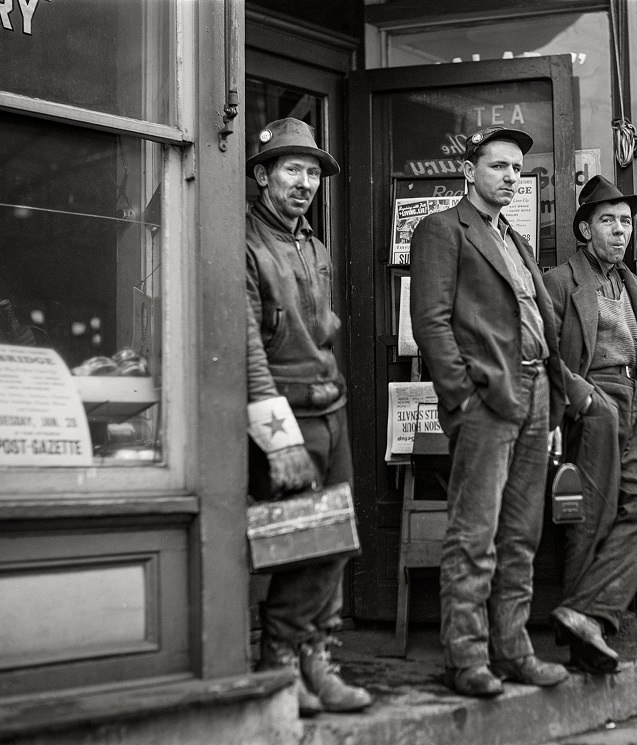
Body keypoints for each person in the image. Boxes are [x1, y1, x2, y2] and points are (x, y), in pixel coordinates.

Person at [410, 125, 570, 698]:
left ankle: (514, 650)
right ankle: (467, 657)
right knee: (474, 534)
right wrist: (461, 397)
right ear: (469, 172)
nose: (510, 176)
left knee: (521, 536)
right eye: (499, 166)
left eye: (516, 170)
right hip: (487, 399)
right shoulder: (440, 230)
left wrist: (552, 398)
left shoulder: (516, 240)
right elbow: (429, 322)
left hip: (535, 396)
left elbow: (539, 322)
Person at [245, 117, 371, 715]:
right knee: (301, 543)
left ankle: (318, 660)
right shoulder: (242, 240)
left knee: (337, 541)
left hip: (331, 406)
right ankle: (280, 662)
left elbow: (321, 334)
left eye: (312, 171)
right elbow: (246, 346)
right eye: (291, 169)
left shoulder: (314, 245)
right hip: (285, 415)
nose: (304, 182)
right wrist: (277, 438)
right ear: (262, 175)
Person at [543, 175, 637, 674]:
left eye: (625, 222)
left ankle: (586, 613)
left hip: (631, 406)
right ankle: (582, 642)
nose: (620, 231)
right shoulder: (560, 281)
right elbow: (545, 355)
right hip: (591, 403)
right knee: (589, 520)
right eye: (608, 221)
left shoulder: (630, 283)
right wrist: (581, 400)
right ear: (585, 228)